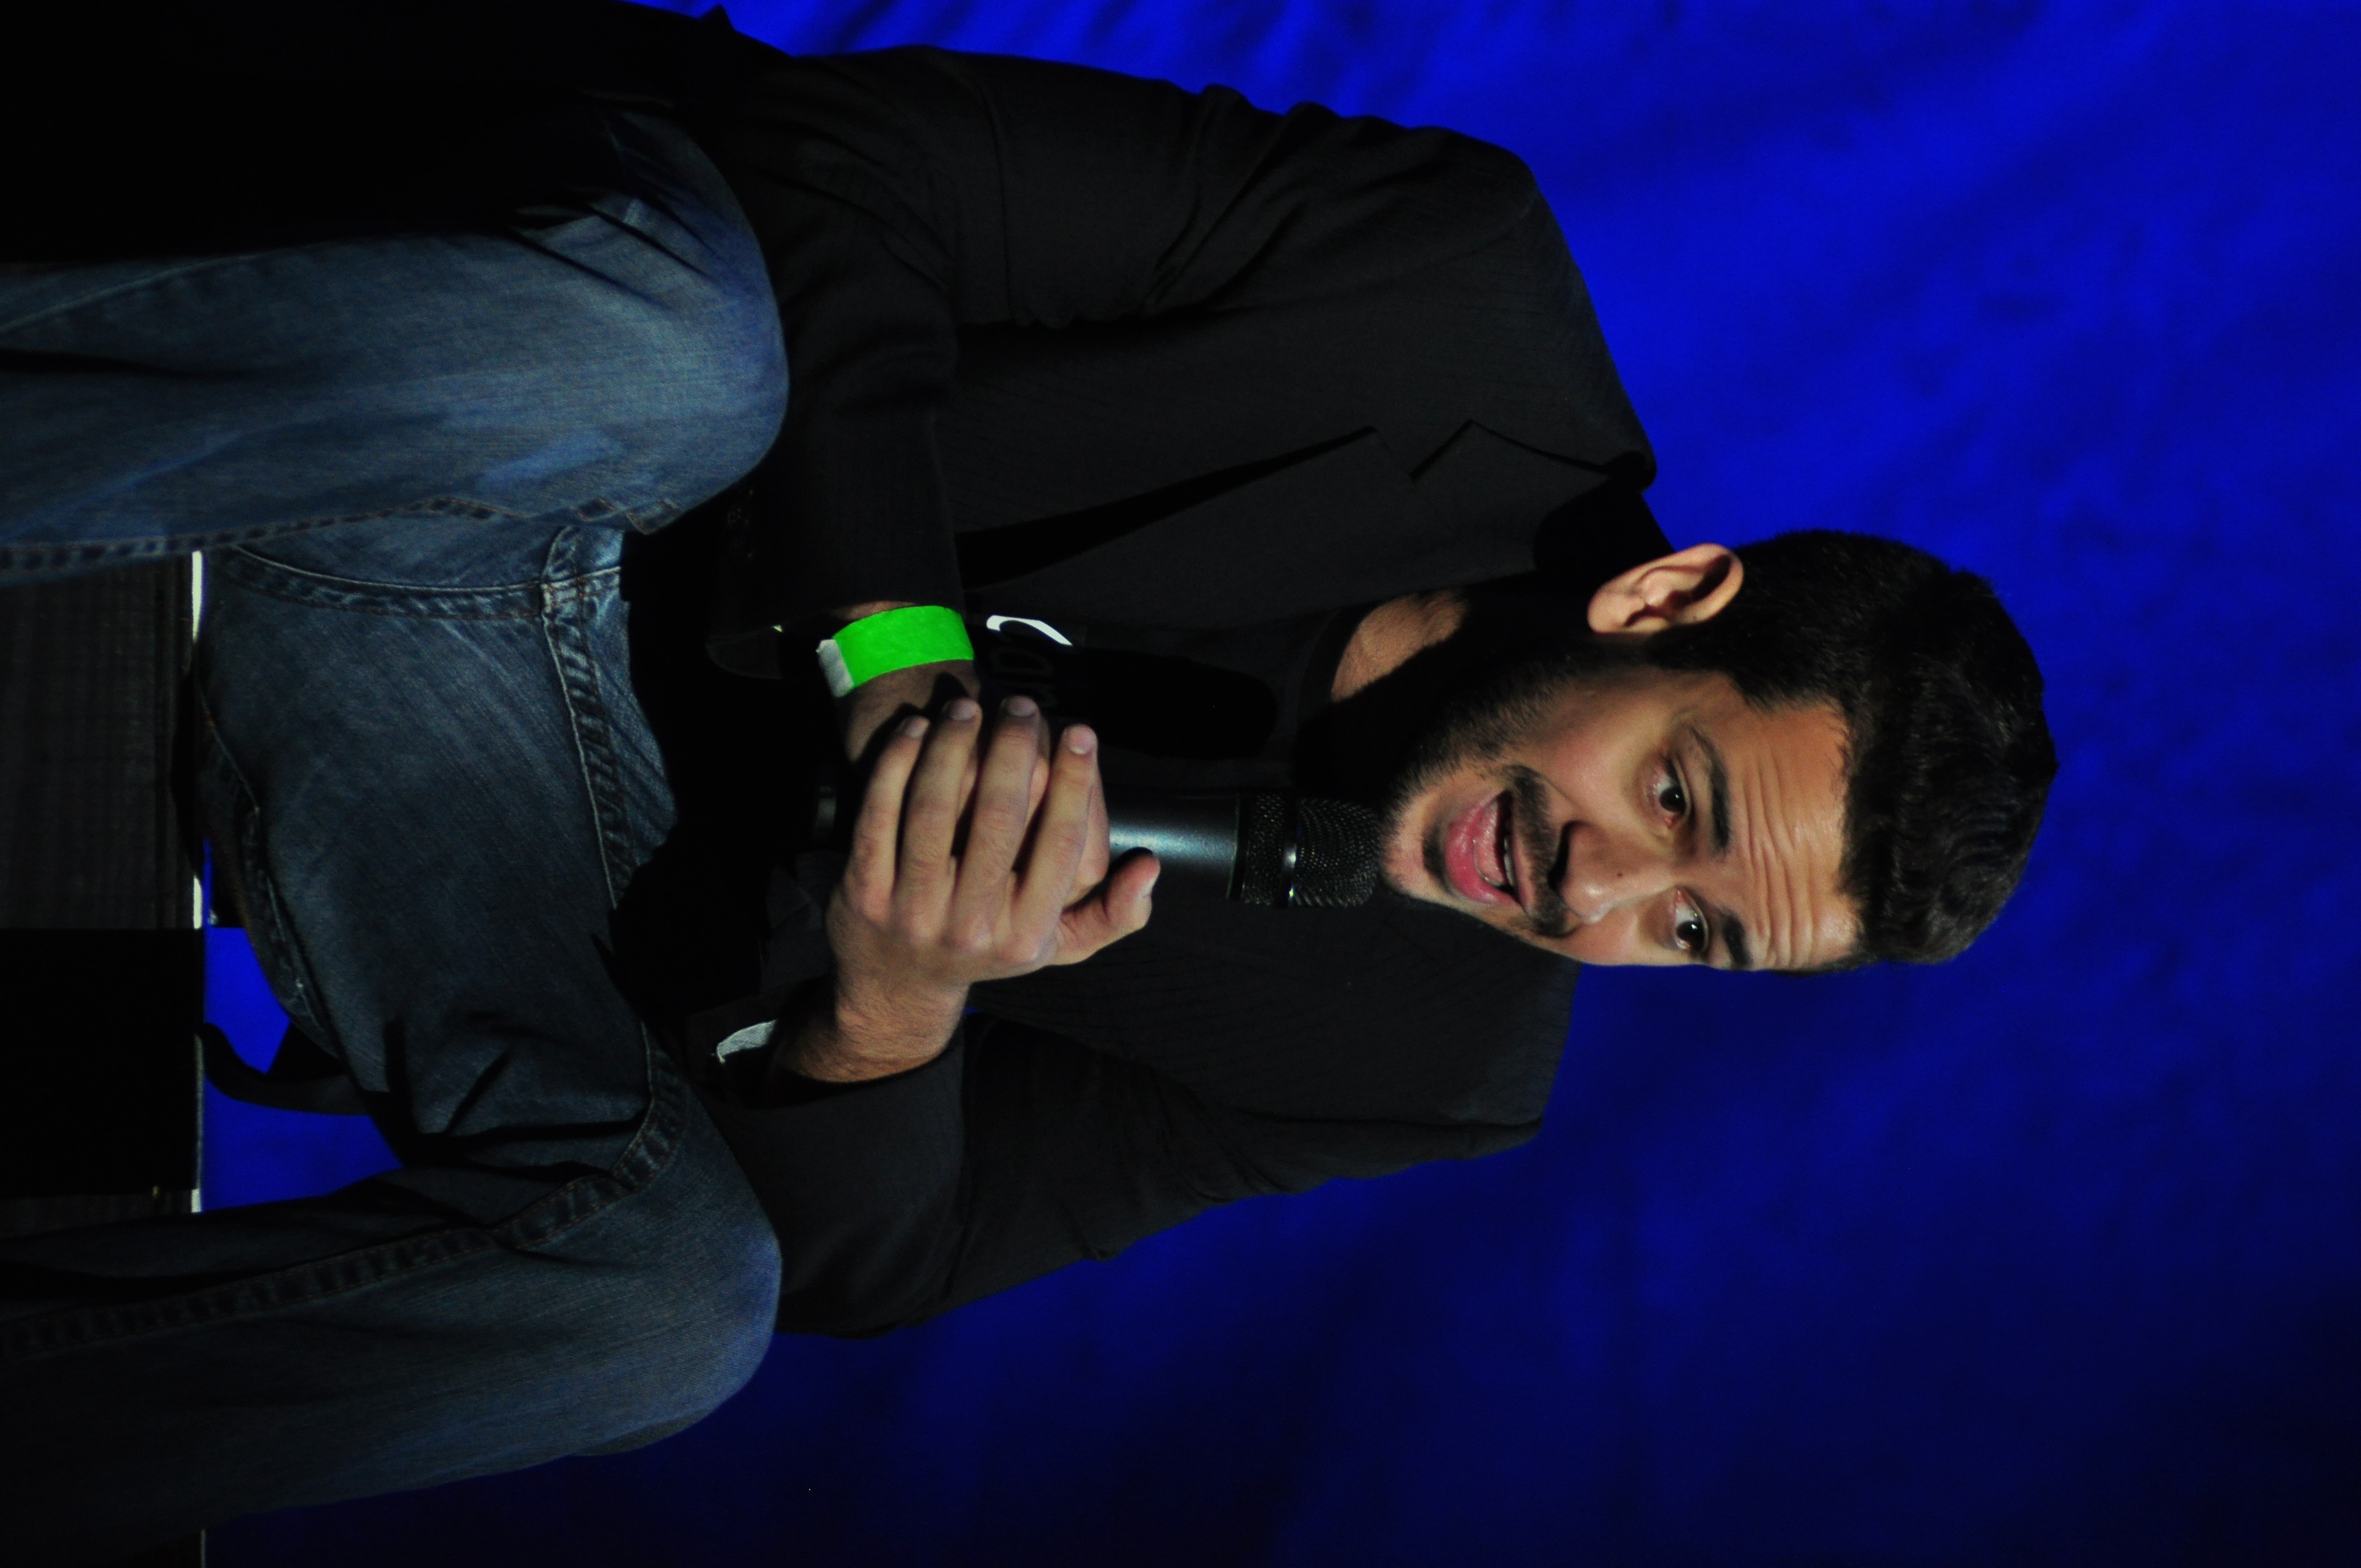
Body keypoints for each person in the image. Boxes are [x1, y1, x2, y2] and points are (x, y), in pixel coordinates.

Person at [0, 4, 2055, 1556]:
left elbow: (875, 1264)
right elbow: (829, 161)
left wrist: (894, 1015)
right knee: (679, 340)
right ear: (1666, 602)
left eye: (1692, 935)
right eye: (1679, 804)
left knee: (666, 1316)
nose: (1591, 893)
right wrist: (892, 650)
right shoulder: (1443, 281)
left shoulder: (1431, 1071)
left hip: (467, 809)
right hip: (460, 408)